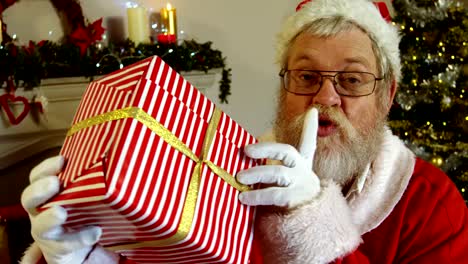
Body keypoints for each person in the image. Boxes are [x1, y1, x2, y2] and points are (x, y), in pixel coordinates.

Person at [20, 0, 467, 263]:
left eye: (351, 80)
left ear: (387, 95)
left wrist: (313, 226)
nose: (325, 98)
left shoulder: (431, 202)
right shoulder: (221, 174)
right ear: (284, 87)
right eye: (306, 77)